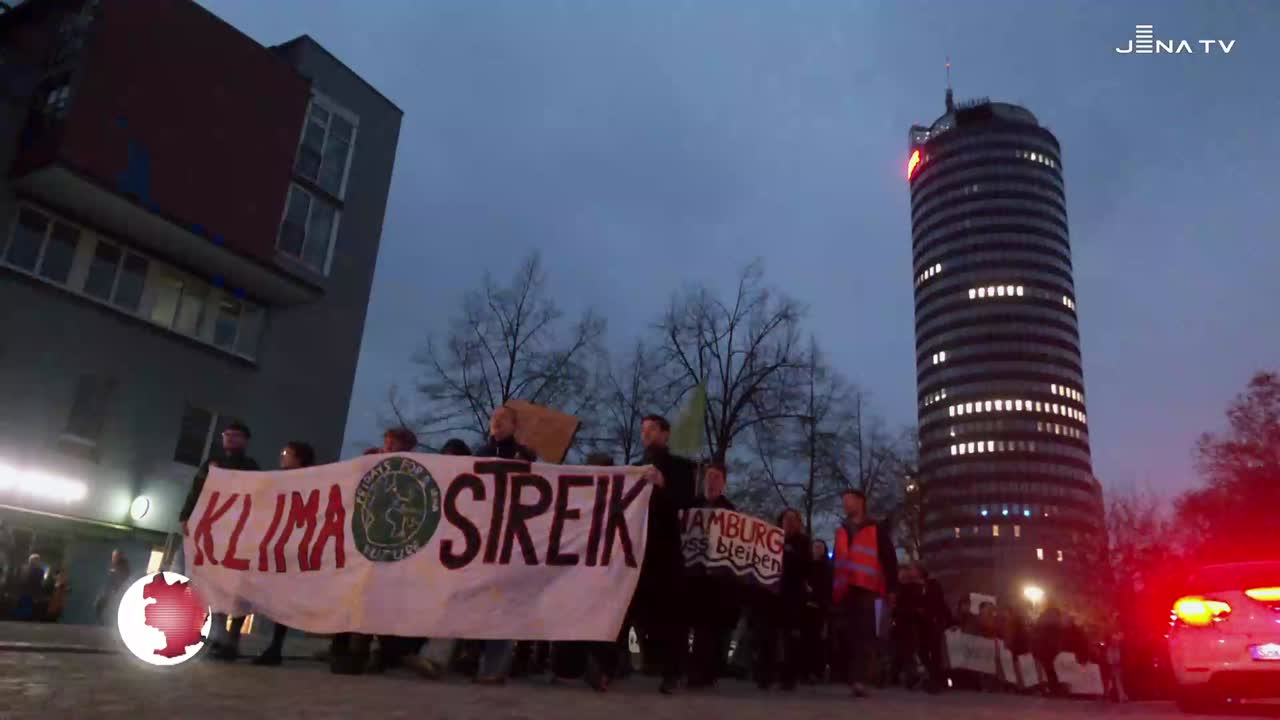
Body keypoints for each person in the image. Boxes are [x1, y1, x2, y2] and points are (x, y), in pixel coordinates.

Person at [334, 427, 419, 674]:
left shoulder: (411, 470)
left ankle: (366, 652)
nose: (388, 446)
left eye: (394, 442)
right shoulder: (369, 460)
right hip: (365, 537)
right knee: (357, 595)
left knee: (376, 599)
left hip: (390, 543)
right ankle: (349, 651)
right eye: (387, 441)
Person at [178, 420, 259, 660]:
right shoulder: (212, 463)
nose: (229, 439)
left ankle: (232, 639)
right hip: (214, 534)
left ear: (245, 441)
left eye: (235, 435)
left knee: (238, 588)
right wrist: (186, 515)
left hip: (239, 535)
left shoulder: (251, 467)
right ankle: (219, 636)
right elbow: (196, 489)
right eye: (227, 435)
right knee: (214, 584)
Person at [630, 414, 696, 694]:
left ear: (666, 434)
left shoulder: (681, 467)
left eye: (652, 429)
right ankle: (609, 666)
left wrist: (663, 483)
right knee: (629, 608)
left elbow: (686, 501)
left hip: (665, 548)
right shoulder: (633, 468)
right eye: (643, 430)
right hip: (635, 547)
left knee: (670, 613)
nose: (646, 434)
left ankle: (673, 672)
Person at [473, 406, 537, 684]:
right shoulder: (479, 454)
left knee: (501, 602)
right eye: (493, 418)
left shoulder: (526, 457)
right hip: (479, 537)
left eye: (503, 418)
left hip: (510, 539)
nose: (496, 421)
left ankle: (494, 668)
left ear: (514, 426)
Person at [404, 438, 475, 680]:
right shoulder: (432, 485)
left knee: (451, 605)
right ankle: (424, 654)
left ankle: (436, 659)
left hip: (462, 555)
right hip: (436, 554)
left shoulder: (471, 486)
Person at [252, 441, 317, 666]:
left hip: (293, 546)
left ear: (299, 458)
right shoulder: (277, 479)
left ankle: (275, 646)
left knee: (284, 598)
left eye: (286, 453)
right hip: (274, 543)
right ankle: (270, 646)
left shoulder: (314, 481)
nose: (282, 456)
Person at [832, 488, 898, 698]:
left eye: (849, 500)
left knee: (865, 633)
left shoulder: (876, 529)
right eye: (844, 501)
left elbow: (889, 559)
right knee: (852, 634)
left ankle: (861, 678)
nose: (845, 504)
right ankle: (857, 677)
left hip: (868, 587)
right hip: (847, 588)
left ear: (861, 502)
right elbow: (837, 562)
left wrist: (892, 589)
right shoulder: (841, 531)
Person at [686, 462, 739, 689]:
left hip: (717, 579)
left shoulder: (730, 511)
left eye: (716, 477)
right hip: (693, 574)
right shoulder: (691, 506)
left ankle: (706, 671)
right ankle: (694, 670)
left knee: (710, 627)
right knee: (696, 624)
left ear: (724, 483)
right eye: (708, 476)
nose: (712, 481)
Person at [754, 508, 811, 691]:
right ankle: (765, 675)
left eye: (793, 519)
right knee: (767, 635)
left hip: (792, 595)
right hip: (771, 595)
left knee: (791, 638)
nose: (790, 522)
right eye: (786, 519)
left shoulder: (803, 542)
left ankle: (789, 677)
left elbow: (806, 568)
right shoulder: (770, 538)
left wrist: (789, 553)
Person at [803, 539, 832, 683]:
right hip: (804, 606)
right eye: (815, 546)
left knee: (816, 640)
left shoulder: (826, 568)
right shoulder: (806, 565)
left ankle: (815, 671)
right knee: (805, 640)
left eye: (820, 547)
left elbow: (827, 588)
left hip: (819, 607)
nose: (817, 549)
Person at [95, 550, 131, 625]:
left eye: (115, 556)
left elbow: (124, 577)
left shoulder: (123, 565)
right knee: (100, 603)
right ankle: (101, 621)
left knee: (111, 604)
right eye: (113, 556)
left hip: (119, 590)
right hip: (111, 590)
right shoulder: (114, 565)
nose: (113, 558)